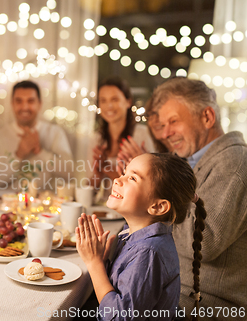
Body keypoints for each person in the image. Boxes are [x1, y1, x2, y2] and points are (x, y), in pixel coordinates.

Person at [152, 77, 247, 317]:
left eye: (174, 121)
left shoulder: (234, 162)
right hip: (180, 292)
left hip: (208, 306)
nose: (166, 133)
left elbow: (204, 241)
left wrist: (156, 193)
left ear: (207, 117)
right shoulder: (197, 161)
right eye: (163, 124)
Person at [77, 153, 206, 321]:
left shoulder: (149, 252)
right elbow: (120, 287)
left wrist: (94, 264)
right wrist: (102, 263)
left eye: (132, 178)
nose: (117, 180)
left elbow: (119, 317)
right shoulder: (133, 236)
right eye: (124, 172)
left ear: (158, 206)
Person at [0, 80, 73, 191]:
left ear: (39, 104)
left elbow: (69, 173)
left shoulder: (55, 133)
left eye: (30, 101)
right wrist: (19, 154)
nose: (25, 107)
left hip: (47, 204)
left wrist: (40, 151)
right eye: (19, 101)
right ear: (12, 104)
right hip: (9, 203)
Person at [88, 77, 155, 197]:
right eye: (103, 100)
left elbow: (152, 184)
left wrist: (107, 169)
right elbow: (89, 189)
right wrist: (98, 175)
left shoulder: (142, 135)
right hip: (106, 208)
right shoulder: (97, 140)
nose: (109, 106)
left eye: (114, 99)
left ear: (128, 102)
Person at [116, 96, 171, 173]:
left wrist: (144, 164)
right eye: (151, 114)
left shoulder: (182, 153)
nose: (154, 120)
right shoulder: (161, 152)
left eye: (159, 114)